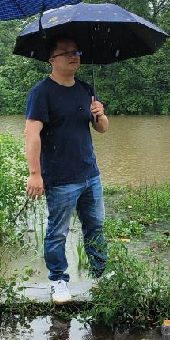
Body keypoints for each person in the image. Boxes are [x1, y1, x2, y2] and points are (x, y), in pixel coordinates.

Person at [24, 36, 109, 305]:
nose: (74, 56)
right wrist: (35, 173)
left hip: (89, 174)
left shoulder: (86, 88)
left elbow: (102, 129)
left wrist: (100, 114)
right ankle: (58, 280)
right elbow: (31, 134)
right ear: (52, 60)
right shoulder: (42, 92)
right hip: (60, 178)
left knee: (95, 226)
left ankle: (100, 275)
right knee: (57, 232)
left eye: (77, 51)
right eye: (66, 53)